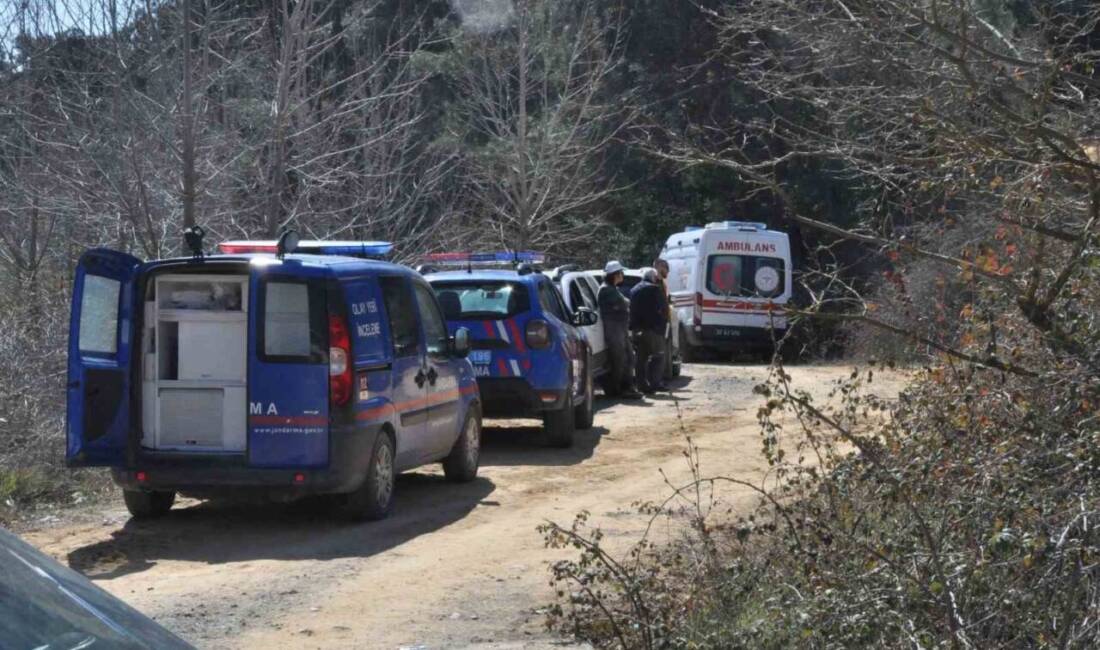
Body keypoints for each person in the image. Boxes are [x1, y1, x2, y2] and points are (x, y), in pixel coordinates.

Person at [598, 261, 642, 399]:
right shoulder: (606, 290)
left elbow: (625, 303)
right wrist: (625, 304)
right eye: (621, 273)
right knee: (620, 359)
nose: (622, 275)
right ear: (615, 274)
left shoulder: (613, 289)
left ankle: (628, 387)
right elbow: (624, 303)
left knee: (629, 357)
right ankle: (619, 388)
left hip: (620, 328)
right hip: (614, 329)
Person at [629, 268, 669, 393]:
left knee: (641, 359)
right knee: (658, 356)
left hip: (637, 329)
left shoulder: (633, 290)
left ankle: (641, 385)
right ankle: (655, 383)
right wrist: (663, 323)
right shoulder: (655, 289)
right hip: (653, 329)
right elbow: (664, 308)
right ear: (653, 278)